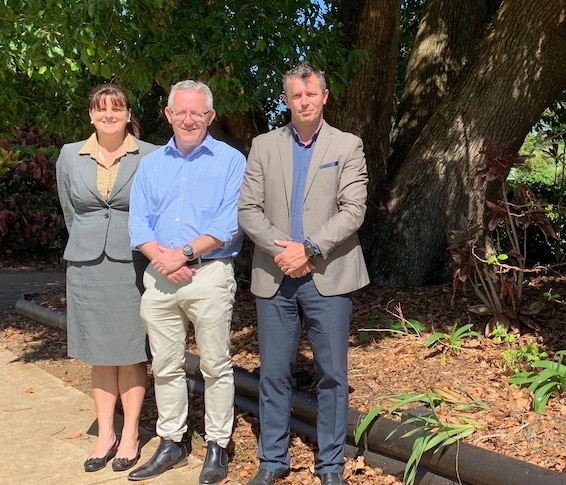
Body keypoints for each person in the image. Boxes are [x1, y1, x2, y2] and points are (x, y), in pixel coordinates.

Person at [238, 62, 369, 485]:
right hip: (276, 275)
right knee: (274, 372)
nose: (305, 101)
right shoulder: (263, 145)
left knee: (332, 375)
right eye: (297, 95)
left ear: (325, 96)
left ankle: (330, 465)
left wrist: (309, 248)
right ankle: (272, 460)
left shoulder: (347, 145)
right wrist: (286, 251)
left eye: (312, 94)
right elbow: (248, 211)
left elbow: (354, 210)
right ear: (286, 99)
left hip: (328, 276)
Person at [127, 80, 245, 484]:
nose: (189, 119)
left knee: (215, 364)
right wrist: (163, 259)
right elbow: (138, 222)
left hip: (209, 275)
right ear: (169, 115)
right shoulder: (152, 164)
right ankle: (171, 441)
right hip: (159, 278)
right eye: (182, 112)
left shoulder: (230, 161)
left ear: (210, 116)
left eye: (198, 112)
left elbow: (229, 223)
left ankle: (216, 445)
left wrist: (185, 254)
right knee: (164, 366)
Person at [55, 84, 156, 473]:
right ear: (91, 115)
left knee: (131, 350)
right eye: (101, 109)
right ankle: (105, 434)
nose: (109, 115)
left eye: (117, 108)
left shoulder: (149, 155)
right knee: (98, 353)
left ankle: (130, 432)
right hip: (86, 265)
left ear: (129, 114)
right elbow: (70, 211)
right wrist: (86, 241)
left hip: (131, 263)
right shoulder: (69, 156)